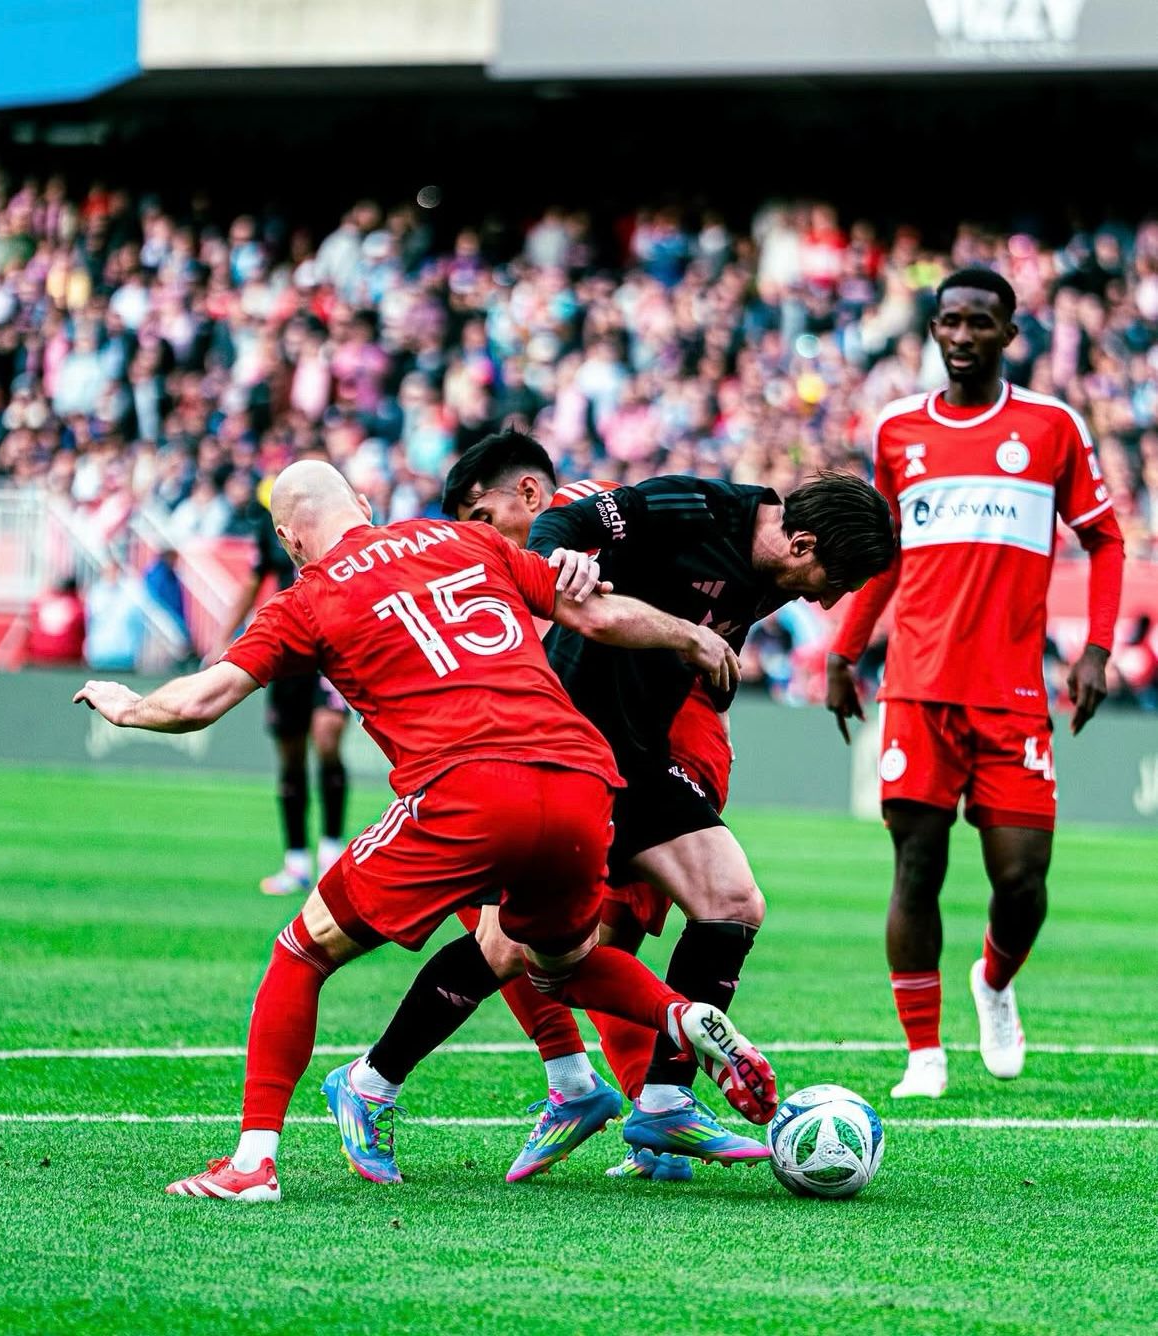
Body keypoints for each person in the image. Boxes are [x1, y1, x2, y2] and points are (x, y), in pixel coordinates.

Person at [73, 459, 778, 1201]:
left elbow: (201, 701)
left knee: (302, 952)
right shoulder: (464, 542)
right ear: (366, 504)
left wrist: (131, 706)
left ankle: (253, 1163)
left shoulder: (307, 598)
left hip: (465, 787)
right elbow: (599, 614)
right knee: (563, 963)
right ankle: (683, 1013)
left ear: (288, 538)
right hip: (581, 777)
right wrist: (692, 639)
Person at [347, 432, 897, 1183]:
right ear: (801, 542)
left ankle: (665, 1100)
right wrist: (558, 561)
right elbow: (569, 522)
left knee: (733, 900)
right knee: (508, 948)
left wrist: (709, 666)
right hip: (567, 742)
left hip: (637, 757)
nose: (829, 599)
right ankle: (369, 1082)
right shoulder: (694, 507)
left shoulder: (777, 566)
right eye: (834, 580)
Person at [825, 268, 1125, 1099]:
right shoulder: (896, 432)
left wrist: (1096, 648)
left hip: (1012, 694)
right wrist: (843, 652)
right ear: (933, 329)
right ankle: (924, 1055)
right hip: (918, 688)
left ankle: (992, 983)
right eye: (948, 322)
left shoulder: (1051, 427)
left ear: (1009, 333)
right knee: (915, 870)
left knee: (1022, 880)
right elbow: (880, 557)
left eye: (978, 324)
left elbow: (1105, 540)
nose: (961, 337)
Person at [211, 479, 350, 895]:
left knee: (327, 741)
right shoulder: (272, 536)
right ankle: (295, 860)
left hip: (329, 652)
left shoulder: (333, 528)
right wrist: (223, 641)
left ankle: (331, 850)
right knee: (290, 760)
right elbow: (253, 584)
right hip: (288, 654)